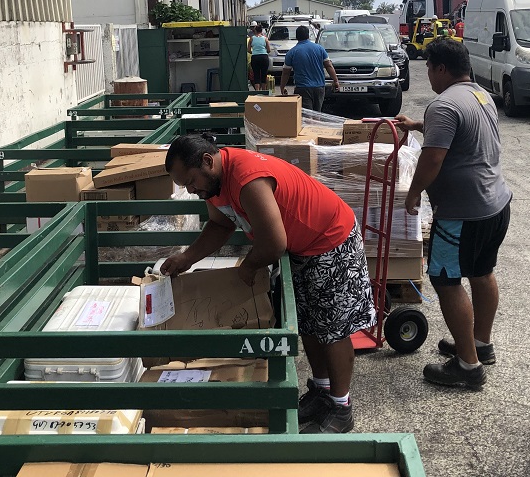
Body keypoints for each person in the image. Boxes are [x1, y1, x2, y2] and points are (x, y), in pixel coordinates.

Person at [161, 135, 375, 434]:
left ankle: (341, 407)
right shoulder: (214, 185)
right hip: (302, 248)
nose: (191, 189)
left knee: (333, 329)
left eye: (191, 180)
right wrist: (187, 258)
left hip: (331, 240)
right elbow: (220, 225)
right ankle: (322, 392)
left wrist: (248, 267)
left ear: (208, 161)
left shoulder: (247, 178)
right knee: (310, 323)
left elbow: (274, 244)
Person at [395, 38, 512, 390]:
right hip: (496, 204)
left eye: (429, 68)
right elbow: (462, 132)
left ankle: (467, 366)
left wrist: (414, 191)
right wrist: (417, 125)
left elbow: (433, 158)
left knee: (446, 280)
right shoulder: (478, 95)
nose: (427, 74)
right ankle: (479, 343)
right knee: (481, 271)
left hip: (463, 213)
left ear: (441, 69)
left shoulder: (444, 105)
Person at [279, 25, 340, 111]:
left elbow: (286, 72)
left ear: (296, 37)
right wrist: (335, 80)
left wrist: (282, 87)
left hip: (303, 88)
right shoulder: (319, 49)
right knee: (317, 114)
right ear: (308, 36)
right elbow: (328, 65)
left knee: (307, 116)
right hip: (319, 87)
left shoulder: (292, 52)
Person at [247, 24, 270, 92]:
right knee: (264, 74)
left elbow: (248, 50)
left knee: (256, 74)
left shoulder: (251, 39)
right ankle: (264, 91)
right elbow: (269, 50)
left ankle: (257, 91)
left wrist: (254, 52)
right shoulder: (265, 39)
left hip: (255, 57)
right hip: (264, 57)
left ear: (255, 31)